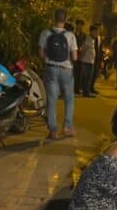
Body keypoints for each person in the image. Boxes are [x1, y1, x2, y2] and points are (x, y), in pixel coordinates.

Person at [38, 8, 78, 139]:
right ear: (65, 20)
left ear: (53, 18)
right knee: (69, 99)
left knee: (51, 100)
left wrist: (48, 61)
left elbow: (41, 53)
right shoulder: (70, 35)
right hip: (67, 70)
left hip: (51, 69)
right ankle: (67, 127)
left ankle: (53, 130)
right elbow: (75, 56)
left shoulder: (45, 33)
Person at [79, 25, 97, 97]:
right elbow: (84, 48)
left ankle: (87, 91)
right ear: (91, 31)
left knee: (88, 77)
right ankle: (86, 92)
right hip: (87, 61)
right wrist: (81, 57)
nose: (97, 34)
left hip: (90, 61)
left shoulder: (92, 39)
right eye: (95, 32)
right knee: (86, 77)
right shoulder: (88, 39)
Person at [73, 19, 87, 94]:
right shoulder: (73, 34)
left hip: (81, 56)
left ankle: (77, 88)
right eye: (78, 25)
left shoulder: (84, 35)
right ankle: (73, 87)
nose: (79, 26)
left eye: (81, 25)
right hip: (74, 55)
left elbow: (85, 44)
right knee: (73, 73)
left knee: (79, 73)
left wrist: (82, 48)